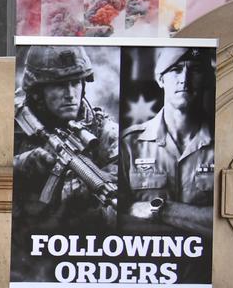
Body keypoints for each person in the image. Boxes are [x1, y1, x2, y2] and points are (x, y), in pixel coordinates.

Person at [12, 44, 119, 228]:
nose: (70, 95)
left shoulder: (105, 133)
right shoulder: (13, 120)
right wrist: (20, 164)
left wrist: (92, 207)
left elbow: (123, 211)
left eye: (76, 83)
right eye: (59, 85)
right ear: (38, 92)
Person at [120, 47, 214, 237]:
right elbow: (114, 217)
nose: (184, 79)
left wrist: (161, 209)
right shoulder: (129, 144)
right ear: (161, 79)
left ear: (206, 80)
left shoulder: (227, 144)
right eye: (176, 70)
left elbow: (228, 220)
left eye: (195, 69)